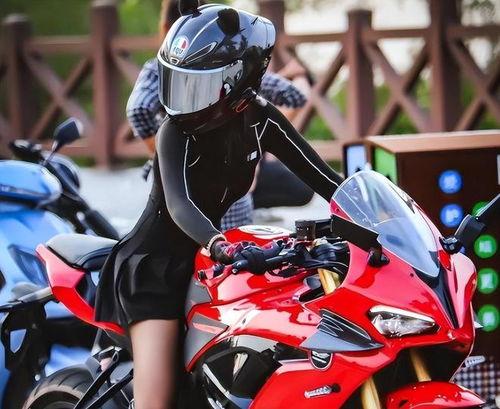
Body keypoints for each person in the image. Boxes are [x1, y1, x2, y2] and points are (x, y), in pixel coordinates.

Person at [95, 3, 344, 409]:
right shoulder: (175, 132)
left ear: (240, 82)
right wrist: (220, 244)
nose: (184, 100)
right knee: (157, 402)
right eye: (179, 83)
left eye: (197, 86)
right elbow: (179, 205)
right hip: (157, 269)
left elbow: (326, 179)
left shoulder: (261, 119)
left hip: (213, 263)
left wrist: (382, 213)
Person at [127, 0, 308, 231]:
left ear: (166, 29)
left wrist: (160, 153)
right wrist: (257, 141)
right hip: (231, 177)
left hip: (184, 192)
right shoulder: (234, 65)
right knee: (238, 237)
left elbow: (138, 109)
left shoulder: (159, 69)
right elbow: (294, 96)